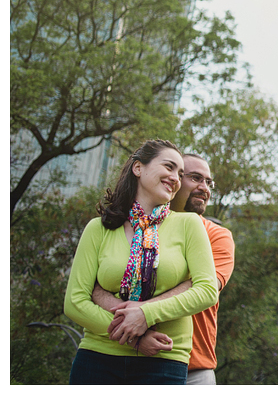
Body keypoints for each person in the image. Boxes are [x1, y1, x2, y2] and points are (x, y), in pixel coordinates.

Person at [65, 139, 218, 384]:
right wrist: (135, 337)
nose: (175, 178)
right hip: (97, 358)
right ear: (138, 168)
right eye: (168, 167)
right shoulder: (99, 228)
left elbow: (207, 290)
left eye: (180, 173)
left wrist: (146, 314)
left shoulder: (189, 224)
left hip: (164, 361)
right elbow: (75, 301)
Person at [93, 153, 235, 385]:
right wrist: (133, 329)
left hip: (193, 367)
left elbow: (206, 286)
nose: (205, 188)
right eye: (195, 178)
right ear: (173, 179)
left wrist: (141, 312)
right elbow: (94, 288)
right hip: (121, 357)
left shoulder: (217, 236)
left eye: (209, 182)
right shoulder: (131, 227)